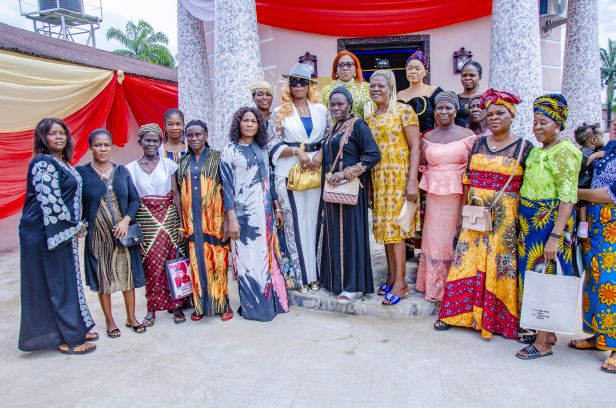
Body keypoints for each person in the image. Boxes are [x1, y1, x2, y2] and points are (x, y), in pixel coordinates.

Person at [435, 89, 533, 338]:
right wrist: (460, 217)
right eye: (490, 114)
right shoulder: (478, 143)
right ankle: (456, 314)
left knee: (500, 267)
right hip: (476, 215)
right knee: (466, 261)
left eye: (500, 113)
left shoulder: (524, 147)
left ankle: (497, 321)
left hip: (505, 220)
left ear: (512, 116)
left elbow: (528, 188)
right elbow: (467, 180)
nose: (494, 118)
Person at [19, 118, 97, 354]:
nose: (59, 137)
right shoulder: (43, 163)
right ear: (43, 138)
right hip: (46, 233)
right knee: (58, 283)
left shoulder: (62, 163)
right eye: (52, 133)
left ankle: (75, 327)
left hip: (60, 232)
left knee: (67, 280)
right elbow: (50, 202)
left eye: (62, 133)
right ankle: (69, 338)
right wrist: (74, 226)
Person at [515, 94, 582, 359]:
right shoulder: (537, 151)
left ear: (558, 124)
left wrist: (555, 236)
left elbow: (568, 197)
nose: (537, 127)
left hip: (550, 225)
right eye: (535, 122)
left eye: (543, 122)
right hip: (530, 225)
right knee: (534, 278)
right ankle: (547, 332)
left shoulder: (565, 151)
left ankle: (543, 343)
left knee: (547, 278)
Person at [221, 107, 289, 321]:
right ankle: (255, 308)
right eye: (246, 120)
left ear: (259, 125)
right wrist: (231, 219)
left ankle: (272, 303)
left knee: (268, 257)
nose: (250, 124)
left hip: (266, 215)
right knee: (249, 262)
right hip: (244, 218)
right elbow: (227, 187)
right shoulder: (230, 150)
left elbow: (269, 181)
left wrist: (277, 208)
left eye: (254, 121)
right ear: (238, 124)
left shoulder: (262, 150)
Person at [268, 63, 330, 293]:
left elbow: (330, 137)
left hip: (316, 170)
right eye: (293, 82)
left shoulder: (322, 110)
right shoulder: (280, 112)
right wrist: (296, 151)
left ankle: (316, 275)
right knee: (294, 224)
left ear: (310, 85)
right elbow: (271, 144)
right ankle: (300, 276)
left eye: (302, 82)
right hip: (289, 171)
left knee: (315, 221)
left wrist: (321, 153)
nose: (298, 86)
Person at [78, 129, 146, 338]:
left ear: (111, 146)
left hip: (122, 236)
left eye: (106, 145)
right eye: (98, 145)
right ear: (91, 148)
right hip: (98, 237)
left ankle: (131, 317)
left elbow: (134, 200)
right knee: (103, 278)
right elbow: (75, 203)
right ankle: (109, 321)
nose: (103, 149)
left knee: (127, 276)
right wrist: (79, 224)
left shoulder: (122, 172)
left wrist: (126, 220)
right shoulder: (82, 174)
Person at [319, 86, 381, 303]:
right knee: (334, 234)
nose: (336, 108)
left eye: (340, 104)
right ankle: (336, 282)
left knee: (350, 235)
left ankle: (354, 286)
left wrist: (347, 172)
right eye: (332, 104)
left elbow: (373, 154)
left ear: (350, 105)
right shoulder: (333, 129)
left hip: (350, 188)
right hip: (332, 189)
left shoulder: (358, 125)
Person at [367, 69, 421, 305]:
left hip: (399, 177)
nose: (376, 89)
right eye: (372, 85)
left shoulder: (403, 111)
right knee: (386, 231)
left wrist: (412, 181)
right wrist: (370, 188)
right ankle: (391, 277)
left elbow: (415, 146)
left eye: (381, 85)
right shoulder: (370, 117)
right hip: (380, 179)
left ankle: (401, 283)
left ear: (391, 88)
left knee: (397, 230)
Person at [125, 124, 187, 326]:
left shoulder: (169, 164)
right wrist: (135, 228)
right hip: (147, 221)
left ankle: (177, 306)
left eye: (155, 140)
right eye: (147, 140)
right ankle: (151, 309)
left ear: (160, 143)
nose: (151, 144)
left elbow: (176, 195)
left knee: (173, 263)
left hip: (169, 219)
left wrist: (181, 225)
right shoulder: (130, 168)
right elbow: (131, 199)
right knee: (151, 266)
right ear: (140, 142)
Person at [417, 91, 476, 302]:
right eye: (439, 108)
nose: (443, 111)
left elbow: (473, 167)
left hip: (459, 194)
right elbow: (421, 163)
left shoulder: (468, 135)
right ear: (434, 111)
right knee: (435, 238)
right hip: (434, 195)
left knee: (455, 235)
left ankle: (455, 287)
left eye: (448, 108)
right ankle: (435, 286)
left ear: (456, 110)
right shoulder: (426, 137)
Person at [177, 120, 233, 321]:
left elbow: (228, 189)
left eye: (198, 134)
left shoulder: (218, 158)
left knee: (218, 262)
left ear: (206, 135)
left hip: (215, 221)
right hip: (192, 223)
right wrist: (181, 224)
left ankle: (222, 305)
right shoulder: (182, 162)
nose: (194, 138)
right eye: (190, 135)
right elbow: (178, 194)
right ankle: (200, 306)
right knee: (196, 263)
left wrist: (227, 220)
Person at [569, 136, 616, 373]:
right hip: (595, 226)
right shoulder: (610, 148)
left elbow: (611, 194)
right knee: (593, 281)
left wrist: (574, 191)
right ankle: (598, 336)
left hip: (612, 227)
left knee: (610, 285)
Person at [397, 50, 443, 134]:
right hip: (402, 139)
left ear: (425, 72)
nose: (413, 71)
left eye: (417, 69)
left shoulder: (434, 91)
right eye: (409, 68)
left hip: (427, 139)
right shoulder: (399, 94)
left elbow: (442, 118)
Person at [574, 123, 605, 238]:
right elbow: (581, 164)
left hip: (587, 183)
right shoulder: (584, 152)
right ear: (594, 140)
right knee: (582, 204)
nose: (603, 139)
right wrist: (596, 155)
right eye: (601, 137)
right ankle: (583, 224)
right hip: (583, 183)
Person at [321, 50, 372, 119]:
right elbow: (322, 117)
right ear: (336, 69)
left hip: (360, 125)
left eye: (349, 64)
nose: (345, 68)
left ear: (355, 68)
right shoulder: (326, 90)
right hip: (335, 126)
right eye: (341, 65)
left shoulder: (366, 88)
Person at [455, 61, 483, 128]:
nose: (467, 78)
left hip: (481, 134)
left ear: (480, 77)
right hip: (459, 134)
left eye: (472, 75)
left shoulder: (486, 99)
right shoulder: (454, 99)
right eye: (464, 75)